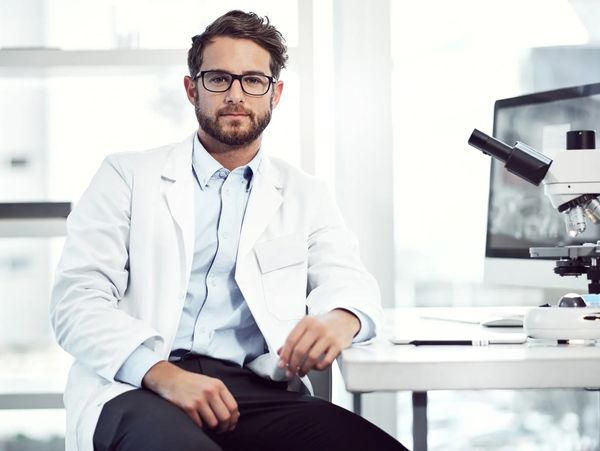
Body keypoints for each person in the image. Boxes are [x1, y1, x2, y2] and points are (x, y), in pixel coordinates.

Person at [50, 10, 408, 451]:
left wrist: (342, 317)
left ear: (275, 94)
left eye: (253, 80)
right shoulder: (126, 176)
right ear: (191, 89)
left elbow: (350, 280)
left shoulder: (304, 193)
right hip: (138, 383)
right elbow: (76, 304)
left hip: (254, 391)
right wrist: (163, 375)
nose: (236, 94)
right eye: (219, 78)